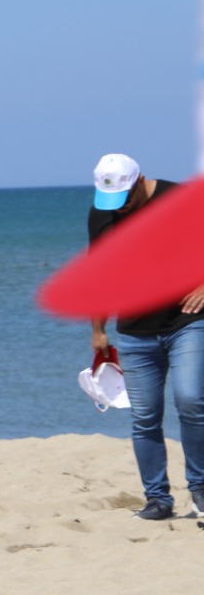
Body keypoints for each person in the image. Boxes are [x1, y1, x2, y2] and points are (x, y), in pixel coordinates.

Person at [87, 153, 204, 520]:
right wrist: (98, 330)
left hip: (187, 322)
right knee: (145, 417)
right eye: (111, 202)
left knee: (191, 400)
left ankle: (200, 489)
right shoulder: (102, 213)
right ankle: (158, 499)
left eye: (124, 199)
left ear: (140, 182)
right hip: (135, 331)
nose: (117, 209)